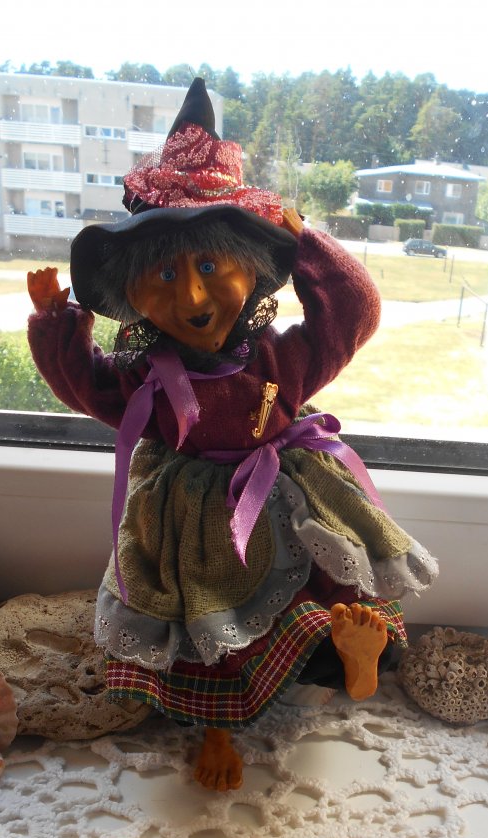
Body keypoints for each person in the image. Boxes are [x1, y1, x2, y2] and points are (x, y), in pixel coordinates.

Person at [27, 78, 437, 791]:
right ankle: (216, 729)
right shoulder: (146, 377)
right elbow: (84, 384)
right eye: (163, 273)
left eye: (211, 266)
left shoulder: (280, 359)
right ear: (131, 291)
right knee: (199, 616)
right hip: (189, 516)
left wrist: (303, 238)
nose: (190, 295)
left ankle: (352, 662)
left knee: (319, 583)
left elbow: (353, 313)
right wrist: (57, 323)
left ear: (252, 270)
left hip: (284, 495)